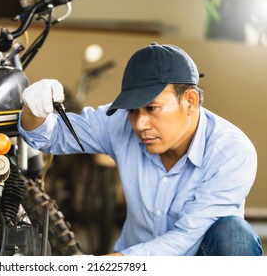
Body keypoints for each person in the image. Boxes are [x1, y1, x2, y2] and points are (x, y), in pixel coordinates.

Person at [17, 42, 263, 256]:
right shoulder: (119, 122)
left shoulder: (232, 152)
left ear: (190, 101)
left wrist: (107, 265)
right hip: (136, 263)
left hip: (194, 262)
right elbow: (51, 135)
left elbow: (187, 238)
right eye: (133, 110)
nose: (139, 124)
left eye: (152, 108)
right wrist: (33, 110)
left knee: (234, 235)